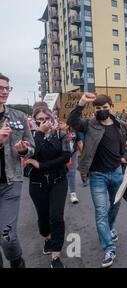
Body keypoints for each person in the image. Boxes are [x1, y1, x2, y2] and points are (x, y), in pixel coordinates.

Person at [67, 94, 127, 268]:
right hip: (97, 175)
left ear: (111, 107)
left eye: (105, 107)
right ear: (95, 110)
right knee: (100, 212)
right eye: (98, 108)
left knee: (115, 205)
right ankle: (108, 248)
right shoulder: (89, 124)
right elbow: (73, 121)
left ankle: (109, 227)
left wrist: (126, 156)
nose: (102, 111)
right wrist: (81, 103)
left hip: (116, 173)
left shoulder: (121, 125)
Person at [26, 106, 71, 268]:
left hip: (58, 180)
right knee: (43, 218)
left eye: (46, 119)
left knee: (56, 217)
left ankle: (56, 257)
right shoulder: (30, 135)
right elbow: (31, 153)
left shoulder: (60, 133)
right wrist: (39, 132)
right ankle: (47, 238)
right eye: (39, 120)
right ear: (34, 121)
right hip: (37, 184)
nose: (43, 122)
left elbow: (66, 157)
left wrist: (41, 165)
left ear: (51, 119)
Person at [0, 73, 35, 268]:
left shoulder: (18, 116)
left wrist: (24, 150)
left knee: (7, 236)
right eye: (0, 88)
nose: (5, 92)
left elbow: (31, 145)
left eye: (7, 88)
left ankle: (17, 262)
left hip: (10, 184)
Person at [59, 120, 80, 204]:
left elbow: (79, 141)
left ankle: (73, 193)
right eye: (60, 122)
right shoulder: (56, 132)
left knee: (71, 173)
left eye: (63, 122)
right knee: (61, 173)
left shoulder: (74, 130)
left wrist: (83, 156)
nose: (61, 124)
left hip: (73, 154)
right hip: (60, 155)